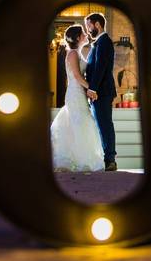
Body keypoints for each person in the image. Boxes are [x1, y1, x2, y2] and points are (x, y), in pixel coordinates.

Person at [50, 25, 105, 172]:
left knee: (78, 124)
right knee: (80, 123)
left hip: (79, 93)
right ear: (77, 38)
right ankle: (81, 160)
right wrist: (91, 88)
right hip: (75, 93)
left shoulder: (78, 53)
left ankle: (79, 159)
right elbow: (76, 76)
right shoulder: (73, 53)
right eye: (83, 33)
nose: (86, 34)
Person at [83, 12, 118, 171]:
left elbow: (100, 67)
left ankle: (110, 160)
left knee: (105, 126)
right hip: (98, 91)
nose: (88, 29)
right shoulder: (98, 42)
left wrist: (92, 88)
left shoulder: (104, 42)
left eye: (89, 25)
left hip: (101, 91)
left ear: (97, 24)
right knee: (102, 125)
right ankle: (107, 158)